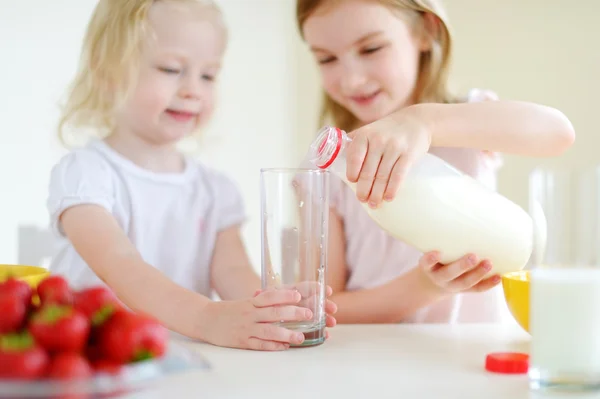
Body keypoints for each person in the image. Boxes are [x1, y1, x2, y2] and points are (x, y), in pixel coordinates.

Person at [46, 0, 336, 351]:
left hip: (179, 358)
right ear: (106, 72)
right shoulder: (85, 173)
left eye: (208, 75)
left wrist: (274, 308)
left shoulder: (215, 191)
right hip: (91, 360)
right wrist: (205, 318)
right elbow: (122, 267)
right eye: (171, 69)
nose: (193, 90)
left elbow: (232, 274)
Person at [296, 0, 575, 323]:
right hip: (370, 358)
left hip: (469, 357)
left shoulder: (462, 123)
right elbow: (324, 308)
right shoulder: (327, 172)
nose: (351, 80)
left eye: (371, 49)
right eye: (326, 59)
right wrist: (426, 285)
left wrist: (426, 122)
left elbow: (559, 133)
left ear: (426, 31)